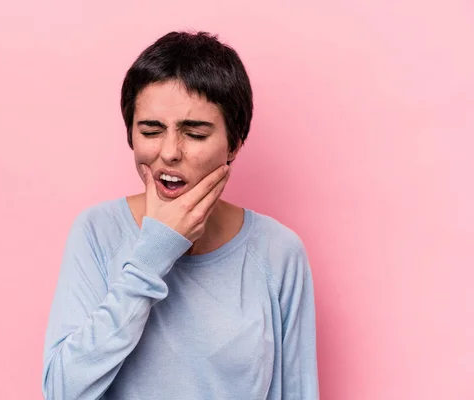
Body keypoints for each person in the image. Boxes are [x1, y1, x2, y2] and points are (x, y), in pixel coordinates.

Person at [42, 31, 319, 400]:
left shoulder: (278, 252)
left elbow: (297, 392)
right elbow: (62, 392)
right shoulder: (97, 232)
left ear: (234, 144)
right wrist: (152, 254)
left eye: (195, 133)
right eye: (151, 131)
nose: (170, 153)